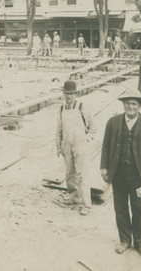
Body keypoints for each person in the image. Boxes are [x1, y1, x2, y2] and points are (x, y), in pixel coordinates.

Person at [100, 90, 141, 259]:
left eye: (134, 104)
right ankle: (125, 240)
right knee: (120, 208)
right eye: (128, 103)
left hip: (140, 175)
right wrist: (104, 168)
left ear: (140, 106)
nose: (131, 106)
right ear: (123, 105)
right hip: (119, 173)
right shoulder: (112, 122)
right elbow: (105, 146)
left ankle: (140, 243)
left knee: (139, 210)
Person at [55, 80, 94, 216]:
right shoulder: (61, 109)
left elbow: (93, 128)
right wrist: (58, 146)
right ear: (63, 94)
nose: (69, 97)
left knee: (82, 175)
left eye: (72, 94)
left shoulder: (82, 107)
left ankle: (86, 205)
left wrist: (86, 139)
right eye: (67, 94)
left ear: (76, 94)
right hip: (67, 145)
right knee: (69, 173)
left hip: (80, 145)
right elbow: (59, 130)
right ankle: (74, 199)